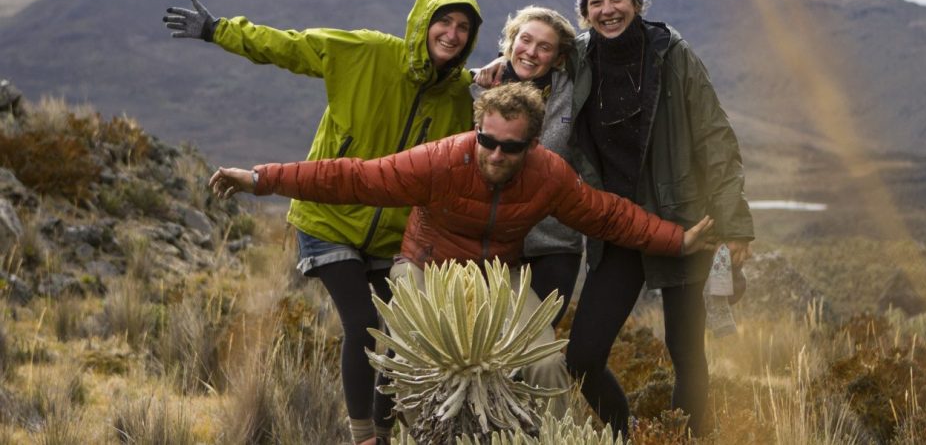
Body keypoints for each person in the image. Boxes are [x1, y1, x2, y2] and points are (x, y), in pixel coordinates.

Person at [208, 82, 717, 415]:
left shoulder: (548, 176)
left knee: (543, 361)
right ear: (477, 130)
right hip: (427, 267)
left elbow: (606, 214)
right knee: (411, 354)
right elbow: (353, 178)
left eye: (511, 146)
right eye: (487, 140)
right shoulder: (440, 160)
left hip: (496, 281)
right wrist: (259, 179)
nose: (495, 154)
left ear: (533, 144)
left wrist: (678, 239)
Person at [163, 0, 481, 445]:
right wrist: (218, 31)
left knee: (401, 332)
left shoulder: (457, 97)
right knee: (363, 324)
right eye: (444, 21)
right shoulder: (367, 52)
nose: (451, 34)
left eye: (463, 28)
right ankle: (363, 437)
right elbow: (292, 47)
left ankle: (385, 430)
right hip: (328, 217)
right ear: (422, 21)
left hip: (390, 233)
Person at [563, 0, 754, 438]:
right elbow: (529, 59)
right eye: (596, 2)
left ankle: (688, 437)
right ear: (584, 11)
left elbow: (716, 137)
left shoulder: (672, 53)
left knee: (687, 352)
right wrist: (491, 71)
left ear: (636, 0)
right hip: (618, 226)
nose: (608, 10)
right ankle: (631, 437)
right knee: (582, 356)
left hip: (685, 219)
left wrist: (735, 225)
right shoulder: (578, 59)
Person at [471, 6, 581, 327]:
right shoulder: (480, 89)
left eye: (544, 47)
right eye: (525, 40)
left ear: (559, 57)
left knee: (534, 342)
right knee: (487, 343)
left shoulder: (574, 94)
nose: (531, 52)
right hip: (491, 243)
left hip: (554, 244)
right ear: (510, 42)